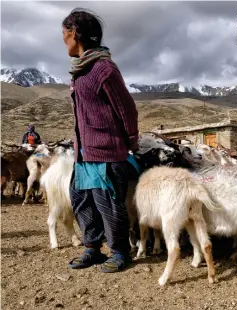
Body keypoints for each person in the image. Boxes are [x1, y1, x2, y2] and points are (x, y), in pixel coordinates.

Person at [62, 8, 141, 273]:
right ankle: (92, 248)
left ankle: (119, 251)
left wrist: (131, 139)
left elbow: (126, 108)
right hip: (83, 152)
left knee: (107, 201)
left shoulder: (103, 68)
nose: (63, 40)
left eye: (64, 34)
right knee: (82, 198)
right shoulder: (80, 70)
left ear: (75, 33)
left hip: (107, 150)